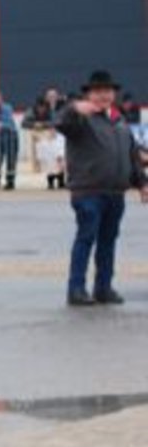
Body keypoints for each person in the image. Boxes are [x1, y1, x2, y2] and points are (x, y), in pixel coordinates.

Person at [56, 70, 147, 306]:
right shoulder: (80, 119)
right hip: (88, 191)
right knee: (86, 237)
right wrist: (74, 108)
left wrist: (142, 183)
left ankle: (103, 288)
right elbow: (60, 122)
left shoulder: (120, 122)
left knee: (108, 241)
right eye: (97, 91)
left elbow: (131, 155)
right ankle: (76, 289)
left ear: (114, 94)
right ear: (88, 95)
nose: (103, 95)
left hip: (115, 193)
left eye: (107, 91)